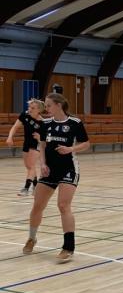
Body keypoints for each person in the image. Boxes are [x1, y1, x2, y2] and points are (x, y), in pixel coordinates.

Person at [22, 93, 90, 262]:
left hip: (69, 169)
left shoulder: (74, 123)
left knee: (63, 205)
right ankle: (32, 238)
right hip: (49, 170)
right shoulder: (46, 123)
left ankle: (68, 247)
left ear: (59, 105)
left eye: (49, 105)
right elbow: (42, 145)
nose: (46, 108)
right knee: (38, 206)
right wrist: (43, 164)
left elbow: (86, 144)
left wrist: (70, 149)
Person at [6, 98, 45, 196]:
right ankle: (36, 185)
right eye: (29, 107)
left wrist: (40, 138)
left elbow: (46, 139)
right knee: (29, 166)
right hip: (26, 143)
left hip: (36, 145)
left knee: (31, 166)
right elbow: (15, 127)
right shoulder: (25, 115)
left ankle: (26, 189)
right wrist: (10, 137)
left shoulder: (43, 123)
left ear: (39, 110)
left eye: (33, 108)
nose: (30, 109)